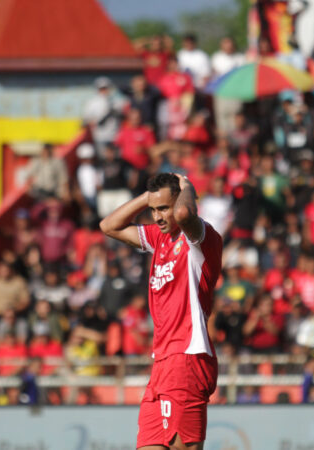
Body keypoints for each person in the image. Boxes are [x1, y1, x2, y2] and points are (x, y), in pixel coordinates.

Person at [100, 173, 223, 450]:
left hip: (187, 358)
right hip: (162, 363)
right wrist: (150, 197)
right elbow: (109, 225)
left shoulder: (200, 240)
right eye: (153, 210)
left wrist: (187, 187)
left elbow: (183, 213)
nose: (157, 216)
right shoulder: (159, 239)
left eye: (163, 208)